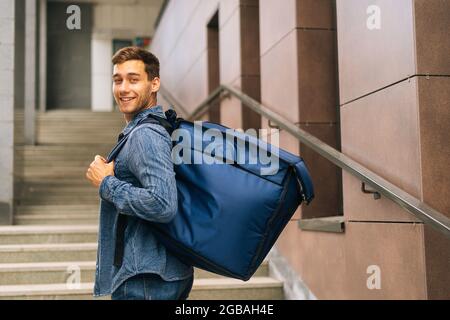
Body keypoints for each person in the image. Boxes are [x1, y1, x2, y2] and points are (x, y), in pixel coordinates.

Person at [85, 46, 194, 300]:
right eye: (118, 80)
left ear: (154, 83)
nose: (123, 88)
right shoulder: (149, 129)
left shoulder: (145, 135)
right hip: (155, 273)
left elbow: (163, 203)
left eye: (134, 80)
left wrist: (106, 182)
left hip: (145, 279)